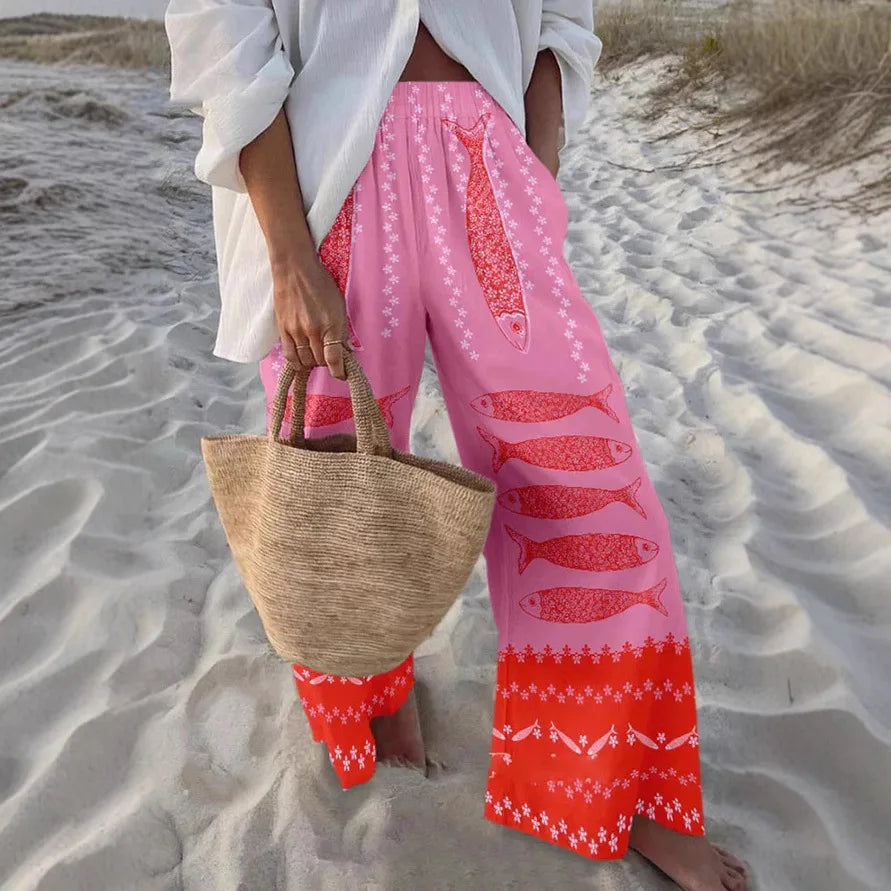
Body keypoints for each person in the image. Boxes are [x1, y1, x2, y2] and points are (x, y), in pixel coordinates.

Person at [164, 3, 747, 888]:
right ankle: (371, 695)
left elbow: (559, 23)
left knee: (586, 478)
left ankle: (610, 781)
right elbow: (227, 39)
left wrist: (531, 170)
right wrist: (286, 253)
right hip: (326, 178)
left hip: (490, 164)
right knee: (339, 475)